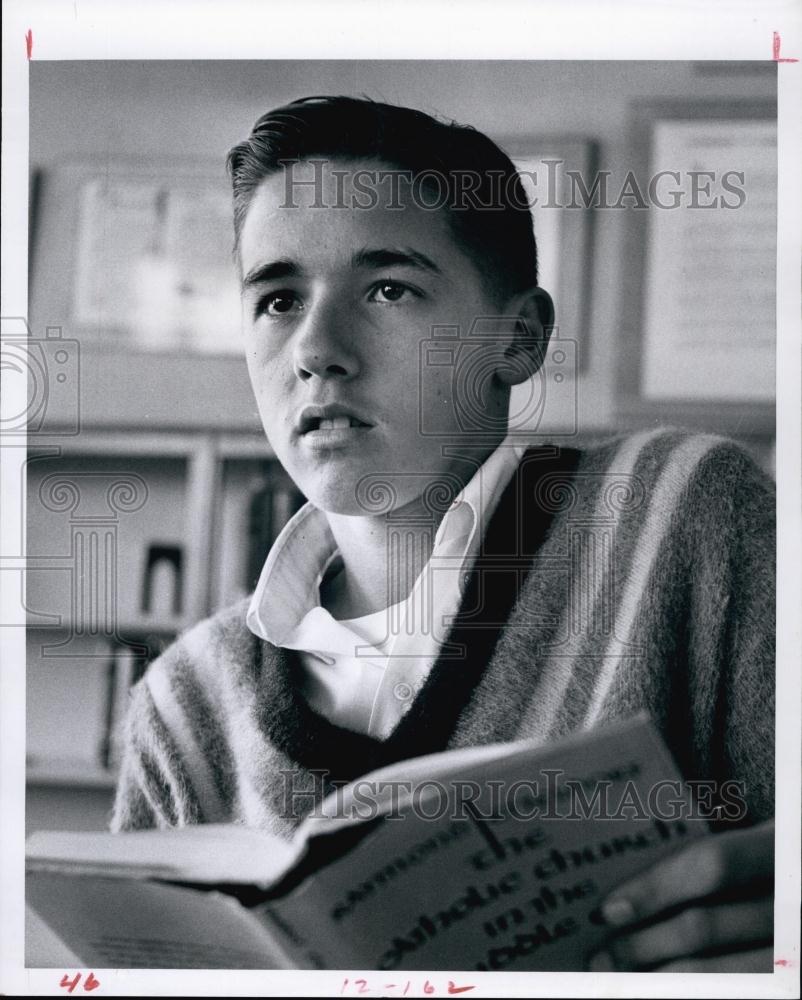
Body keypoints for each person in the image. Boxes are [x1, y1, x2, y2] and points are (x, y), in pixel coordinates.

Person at [111, 96, 775, 971]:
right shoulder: (186, 706)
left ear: (519, 338)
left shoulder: (683, 513)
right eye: (277, 299)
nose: (317, 348)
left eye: (388, 289)